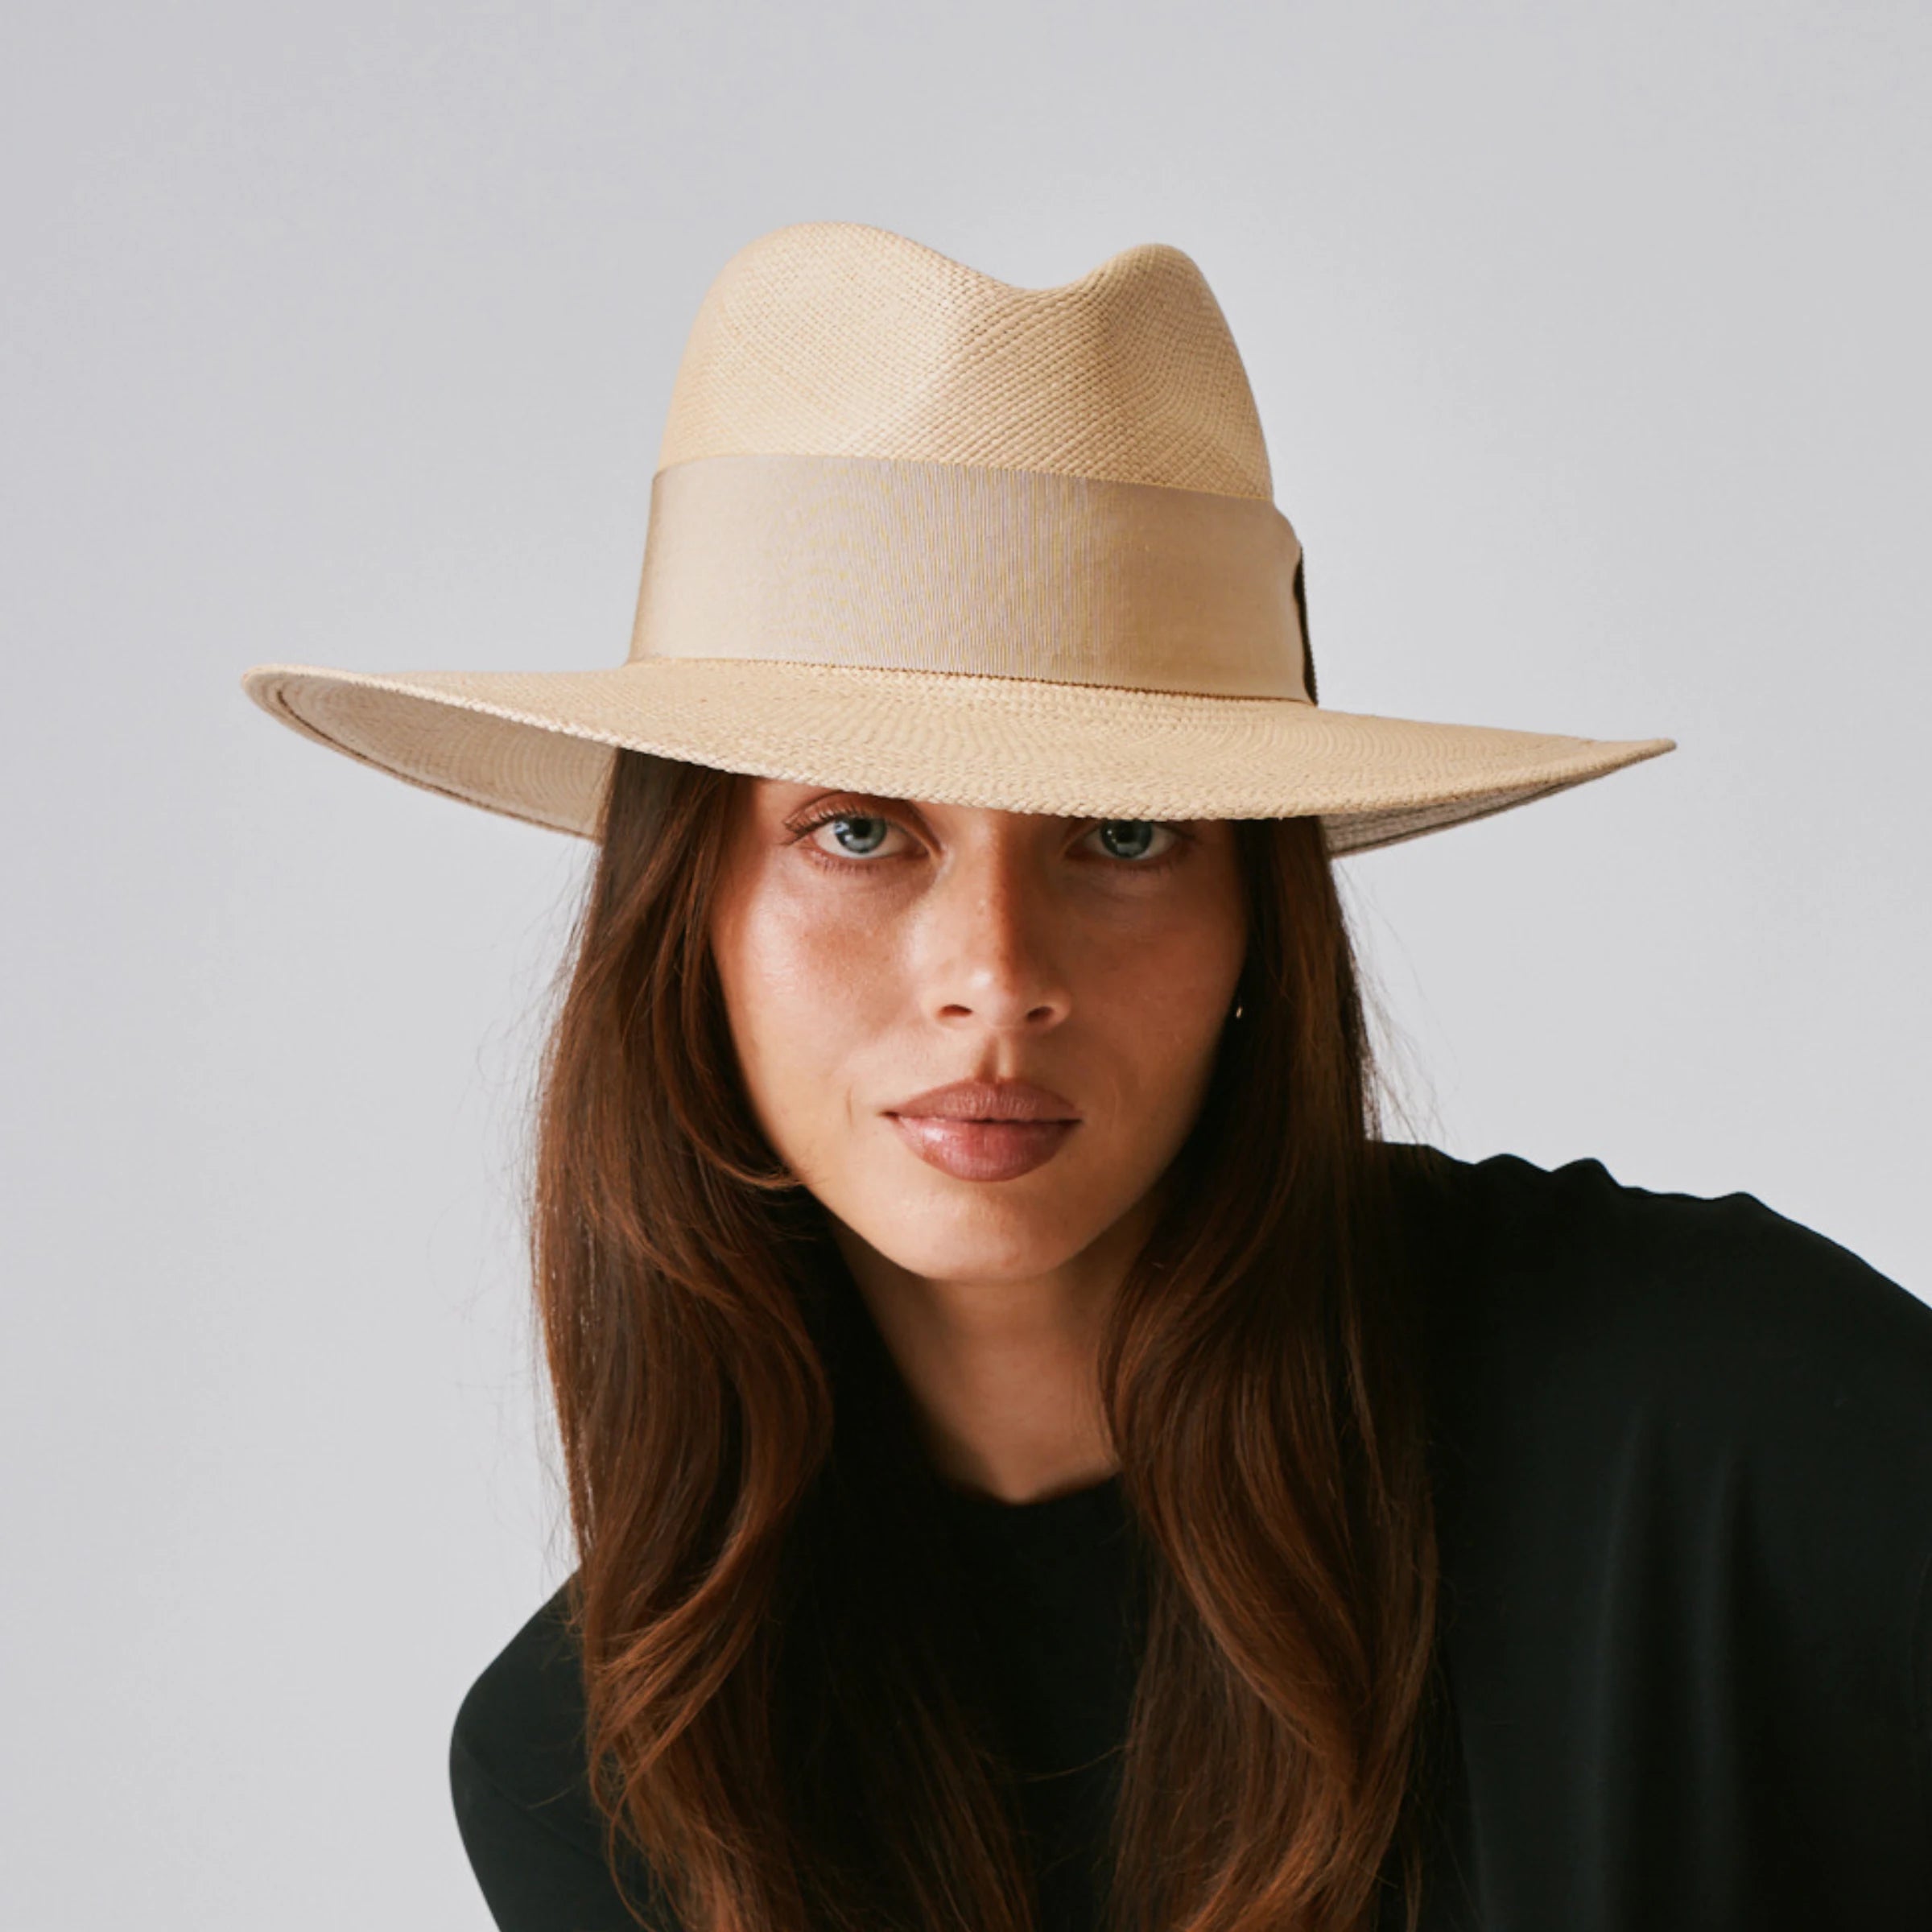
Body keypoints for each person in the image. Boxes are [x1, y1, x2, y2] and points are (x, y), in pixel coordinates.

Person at [239, 223, 1932, 1932]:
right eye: (857, 827)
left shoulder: (1733, 1429)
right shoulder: (612, 1768)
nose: (995, 974)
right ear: (690, 919)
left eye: (1124, 833)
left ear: (1259, 918)